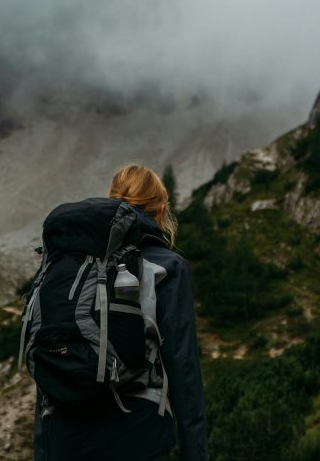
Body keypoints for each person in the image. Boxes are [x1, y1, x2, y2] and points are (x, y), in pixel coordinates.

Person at [32, 164, 209, 461]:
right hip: (137, 435)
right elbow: (183, 369)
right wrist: (196, 454)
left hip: (65, 439)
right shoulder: (166, 266)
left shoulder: (66, 268)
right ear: (161, 209)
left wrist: (43, 450)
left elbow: (47, 365)